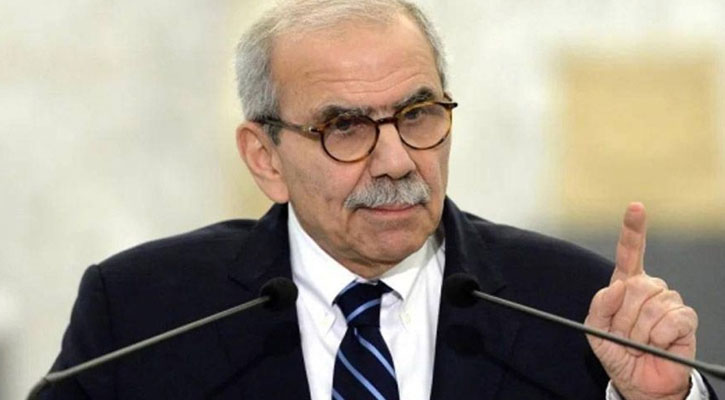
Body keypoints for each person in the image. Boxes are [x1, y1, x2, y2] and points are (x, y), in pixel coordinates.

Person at [43, 0, 717, 399]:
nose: (396, 161)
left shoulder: (573, 307)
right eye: (344, 127)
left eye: (418, 115)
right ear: (265, 158)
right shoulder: (140, 312)